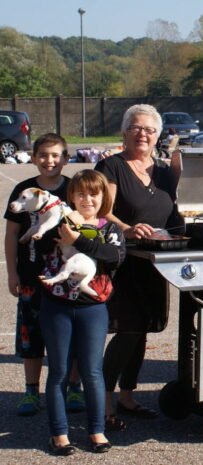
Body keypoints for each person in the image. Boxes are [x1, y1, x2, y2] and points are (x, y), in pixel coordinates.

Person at [95, 104, 183, 431]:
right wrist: (127, 229)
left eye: (149, 129)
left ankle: (127, 397)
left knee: (143, 329)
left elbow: (179, 209)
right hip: (124, 261)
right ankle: (103, 401)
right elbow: (102, 211)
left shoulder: (164, 172)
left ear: (158, 135)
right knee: (128, 330)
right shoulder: (112, 167)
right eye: (135, 127)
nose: (142, 134)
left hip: (157, 262)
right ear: (124, 132)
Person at [37, 169, 126, 455]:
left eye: (94, 194)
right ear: (72, 197)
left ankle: (97, 431)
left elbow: (114, 257)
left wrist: (78, 240)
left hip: (93, 308)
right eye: (81, 194)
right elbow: (39, 246)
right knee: (59, 372)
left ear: (104, 198)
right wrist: (62, 227)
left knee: (92, 371)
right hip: (57, 307)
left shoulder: (110, 229)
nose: (87, 199)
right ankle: (59, 434)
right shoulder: (59, 221)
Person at [4, 134, 86, 417]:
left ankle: (74, 387)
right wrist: (12, 272)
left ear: (66, 159)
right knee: (31, 334)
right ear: (33, 157)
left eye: (55, 155)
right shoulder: (24, 190)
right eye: (43, 155)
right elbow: (12, 234)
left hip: (68, 275)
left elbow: (88, 220)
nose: (49, 161)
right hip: (32, 275)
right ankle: (31, 391)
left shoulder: (73, 189)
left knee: (72, 333)